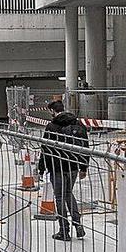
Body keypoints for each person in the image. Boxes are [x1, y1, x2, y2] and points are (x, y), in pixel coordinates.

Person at [36, 100, 90, 242]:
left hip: (57, 167)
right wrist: (84, 167)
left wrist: (41, 168)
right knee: (68, 193)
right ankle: (78, 225)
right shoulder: (78, 124)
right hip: (73, 166)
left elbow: (46, 149)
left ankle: (64, 230)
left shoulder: (52, 126)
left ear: (52, 111)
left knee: (59, 197)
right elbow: (85, 145)